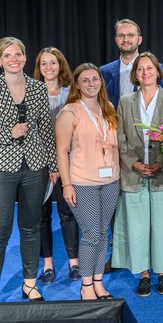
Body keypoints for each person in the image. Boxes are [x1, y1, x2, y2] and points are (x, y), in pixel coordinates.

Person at [112, 52, 163, 297]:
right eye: (140, 69)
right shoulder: (125, 101)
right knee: (137, 226)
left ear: (158, 71)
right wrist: (133, 163)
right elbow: (119, 137)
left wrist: (161, 163)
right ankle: (143, 274)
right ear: (135, 74)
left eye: (149, 68)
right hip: (133, 174)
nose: (145, 73)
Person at [56, 63, 120, 300]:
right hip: (82, 182)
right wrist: (67, 184)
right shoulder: (69, 112)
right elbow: (61, 151)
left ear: (101, 82)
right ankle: (85, 286)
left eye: (95, 79)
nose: (91, 83)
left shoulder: (109, 108)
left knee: (103, 233)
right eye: (85, 80)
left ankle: (98, 281)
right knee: (92, 233)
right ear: (77, 84)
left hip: (111, 180)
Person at [0, 37, 57, 301]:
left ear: (24, 57)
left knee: (31, 226)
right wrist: (6, 133)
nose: (14, 59)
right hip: (3, 167)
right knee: (2, 228)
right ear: (1, 60)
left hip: (35, 166)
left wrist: (54, 166)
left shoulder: (36, 87)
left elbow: (46, 127)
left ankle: (30, 283)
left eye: (18, 54)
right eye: (8, 55)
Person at [33, 47, 80, 284]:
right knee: (41, 216)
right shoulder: (32, 91)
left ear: (60, 65)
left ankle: (74, 262)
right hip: (38, 164)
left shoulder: (72, 93)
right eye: (43, 63)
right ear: (38, 67)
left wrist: (59, 163)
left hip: (67, 162)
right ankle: (48, 263)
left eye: (53, 63)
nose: (48, 67)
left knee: (67, 213)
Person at [100, 18, 163, 109]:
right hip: (114, 122)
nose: (125, 39)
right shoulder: (104, 71)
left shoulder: (155, 68)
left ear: (139, 40)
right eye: (121, 35)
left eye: (130, 35)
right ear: (116, 40)